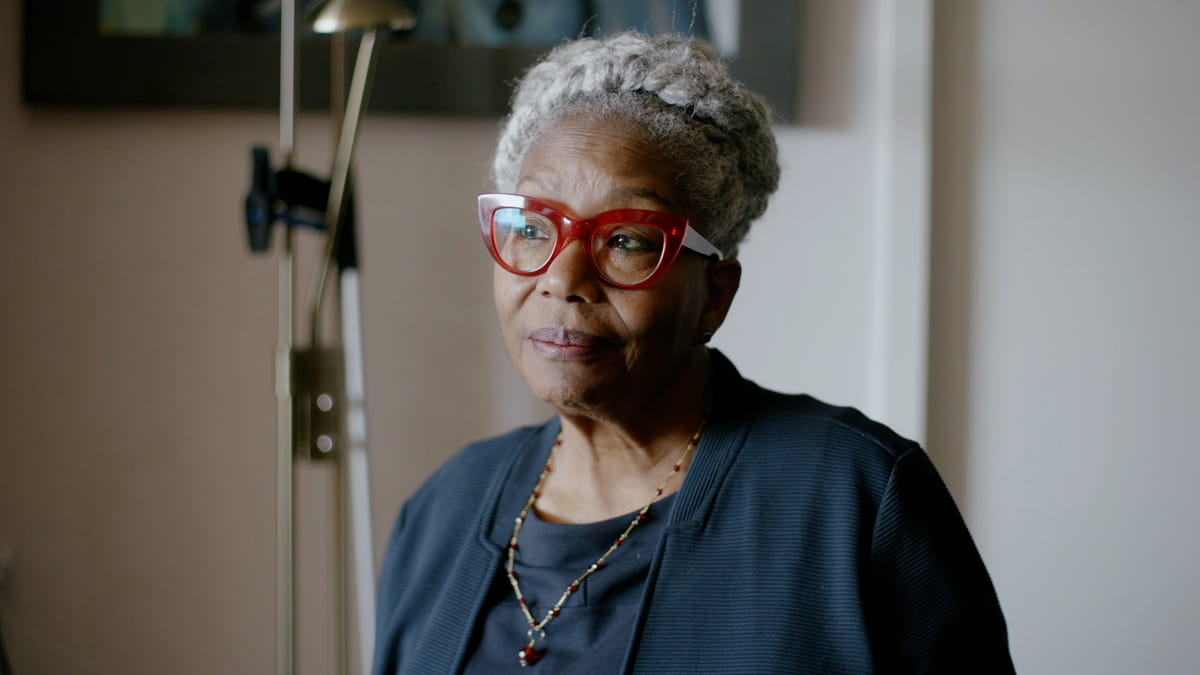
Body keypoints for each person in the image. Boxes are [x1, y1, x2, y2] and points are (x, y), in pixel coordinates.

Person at [373, 31, 1014, 674]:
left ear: (713, 295)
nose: (562, 279)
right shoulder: (443, 511)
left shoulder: (856, 499)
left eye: (627, 240)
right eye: (532, 228)